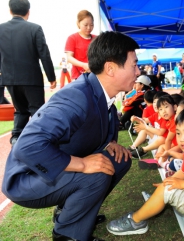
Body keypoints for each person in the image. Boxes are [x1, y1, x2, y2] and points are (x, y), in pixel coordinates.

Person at [2, 31, 138, 240]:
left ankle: (71, 211)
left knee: (119, 159)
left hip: (53, 169)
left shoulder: (102, 94)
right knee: (97, 170)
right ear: (110, 68)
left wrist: (110, 142)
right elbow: (27, 146)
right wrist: (83, 165)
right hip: (28, 178)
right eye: (134, 65)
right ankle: (66, 234)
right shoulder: (77, 96)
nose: (138, 71)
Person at [106, 106, 184, 235]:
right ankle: (156, 200)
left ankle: (136, 222)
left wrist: (180, 184)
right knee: (168, 186)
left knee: (168, 190)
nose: (181, 139)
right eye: (179, 133)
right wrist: (169, 181)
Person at [0, 0, 56, 145]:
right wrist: (51, 77)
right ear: (28, 12)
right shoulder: (34, 28)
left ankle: (16, 138)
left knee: (20, 110)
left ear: (10, 10)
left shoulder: (1, 29)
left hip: (10, 79)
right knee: (37, 110)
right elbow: (44, 54)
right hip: (32, 79)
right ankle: (40, 140)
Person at [65, 10, 96, 80]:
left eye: (91, 25)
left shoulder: (97, 39)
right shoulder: (72, 38)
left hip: (95, 76)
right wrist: (83, 65)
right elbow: (69, 58)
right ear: (78, 23)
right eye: (85, 25)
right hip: (78, 77)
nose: (89, 28)